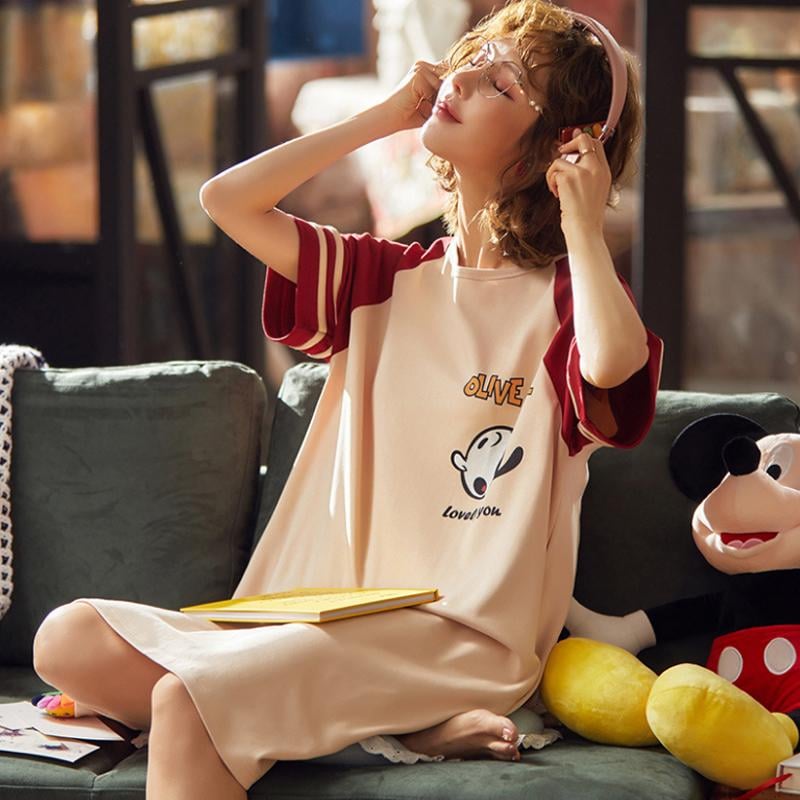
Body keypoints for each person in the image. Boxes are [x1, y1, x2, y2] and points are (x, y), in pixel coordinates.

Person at [30, 1, 664, 797]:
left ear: (560, 148)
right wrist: (383, 117)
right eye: (472, 58)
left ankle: (386, 720)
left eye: (502, 84)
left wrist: (583, 221)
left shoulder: (567, 301)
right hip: (315, 615)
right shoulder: (382, 278)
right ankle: (394, 736)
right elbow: (227, 200)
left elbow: (612, 361)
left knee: (187, 701)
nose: (465, 78)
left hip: (458, 637)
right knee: (67, 640)